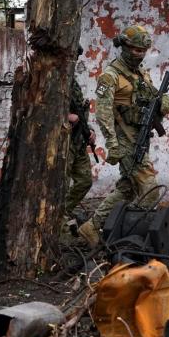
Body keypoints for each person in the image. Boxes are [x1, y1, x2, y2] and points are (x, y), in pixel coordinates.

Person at [77, 25, 169, 248]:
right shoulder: (110, 76)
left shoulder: (140, 73)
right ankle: (138, 235)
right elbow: (103, 114)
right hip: (125, 140)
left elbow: (155, 98)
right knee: (149, 189)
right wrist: (112, 144)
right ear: (124, 46)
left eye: (143, 50)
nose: (139, 54)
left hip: (140, 135)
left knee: (127, 189)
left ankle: (92, 226)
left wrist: (162, 102)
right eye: (135, 49)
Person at [64, 47, 95, 224]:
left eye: (75, 58)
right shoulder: (51, 79)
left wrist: (90, 130)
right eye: (71, 56)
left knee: (84, 181)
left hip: (78, 141)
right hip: (62, 143)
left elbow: (79, 113)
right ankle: (57, 218)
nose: (73, 61)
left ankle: (63, 210)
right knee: (60, 184)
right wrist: (65, 116)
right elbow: (38, 110)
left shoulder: (71, 81)